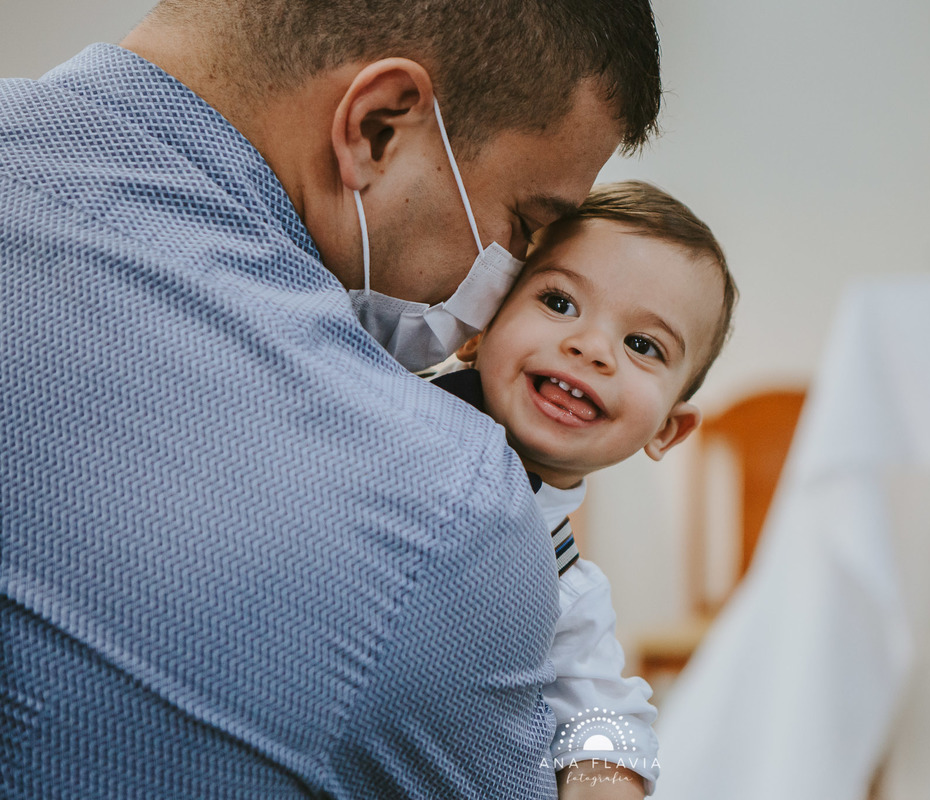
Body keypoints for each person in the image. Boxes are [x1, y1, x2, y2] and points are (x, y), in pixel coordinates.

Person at [0, 1, 661, 797]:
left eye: (645, 346)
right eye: (523, 228)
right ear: (379, 127)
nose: (506, 289)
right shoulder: (444, 509)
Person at [430, 181, 738, 799]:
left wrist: (603, 778)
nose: (592, 348)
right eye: (560, 302)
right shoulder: (375, 402)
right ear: (478, 326)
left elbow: (603, 715)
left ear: (667, 430)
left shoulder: (563, 584)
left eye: (643, 345)